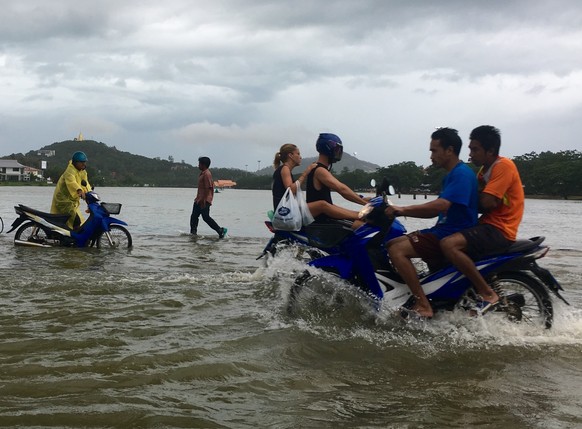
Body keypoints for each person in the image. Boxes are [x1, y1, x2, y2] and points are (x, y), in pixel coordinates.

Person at [385, 128, 478, 319]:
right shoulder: (451, 175)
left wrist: (402, 209)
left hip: (451, 233)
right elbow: (437, 211)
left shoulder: (461, 174)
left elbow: (441, 205)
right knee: (392, 242)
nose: (431, 156)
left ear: (449, 150)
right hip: (443, 230)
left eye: (434, 151)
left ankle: (422, 303)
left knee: (397, 250)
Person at [440, 125, 524, 313]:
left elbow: (487, 202)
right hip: (487, 225)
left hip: (500, 229)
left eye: (475, 149)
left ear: (491, 151)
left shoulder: (503, 166)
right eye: (470, 148)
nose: (470, 154)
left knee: (449, 245)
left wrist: (461, 196)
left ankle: (487, 293)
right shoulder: (483, 172)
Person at [305, 133, 368, 223]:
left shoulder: (318, 168)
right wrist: (366, 204)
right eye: (337, 149)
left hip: (326, 217)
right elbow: (341, 189)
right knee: (363, 223)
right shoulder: (320, 170)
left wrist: (362, 198)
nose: (339, 153)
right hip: (322, 221)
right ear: (328, 149)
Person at [50, 151, 92, 229]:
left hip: (72, 202)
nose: (84, 164)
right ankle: (75, 240)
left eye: (85, 162)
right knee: (76, 221)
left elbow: (86, 184)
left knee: (80, 222)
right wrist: (79, 190)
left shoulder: (83, 172)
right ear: (76, 162)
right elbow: (71, 182)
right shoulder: (70, 171)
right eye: (81, 162)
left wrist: (90, 195)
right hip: (63, 201)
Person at [190, 156, 227, 238]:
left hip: (204, 200)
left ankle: (220, 230)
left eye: (199, 163)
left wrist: (203, 200)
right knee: (194, 217)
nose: (198, 165)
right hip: (198, 199)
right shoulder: (203, 173)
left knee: (206, 217)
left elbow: (208, 188)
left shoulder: (207, 174)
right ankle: (193, 234)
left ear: (203, 165)